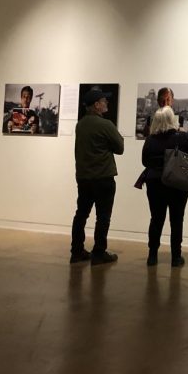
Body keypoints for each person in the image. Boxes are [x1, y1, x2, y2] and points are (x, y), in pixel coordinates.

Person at [70, 88, 125, 265]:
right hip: (103, 178)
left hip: (84, 177)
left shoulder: (81, 124)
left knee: (81, 214)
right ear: (96, 105)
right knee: (103, 217)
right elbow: (120, 148)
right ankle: (99, 252)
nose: (106, 103)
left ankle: (77, 251)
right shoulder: (106, 125)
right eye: (104, 101)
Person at [140, 106, 188, 267]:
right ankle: (176, 257)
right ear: (173, 119)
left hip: (155, 182)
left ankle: (152, 256)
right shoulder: (182, 138)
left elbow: (144, 161)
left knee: (156, 218)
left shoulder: (150, 140)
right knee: (177, 219)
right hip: (177, 182)